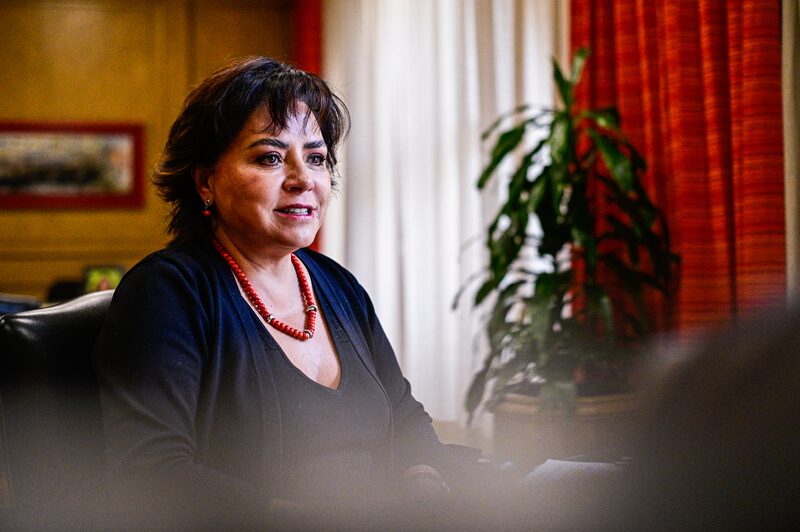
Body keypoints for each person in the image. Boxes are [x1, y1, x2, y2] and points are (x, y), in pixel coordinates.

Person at [91, 57, 486, 529]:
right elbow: (153, 476)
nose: (303, 179)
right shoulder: (167, 292)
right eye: (270, 158)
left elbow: (404, 417)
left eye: (316, 158)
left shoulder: (338, 285)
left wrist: (425, 489)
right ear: (205, 181)